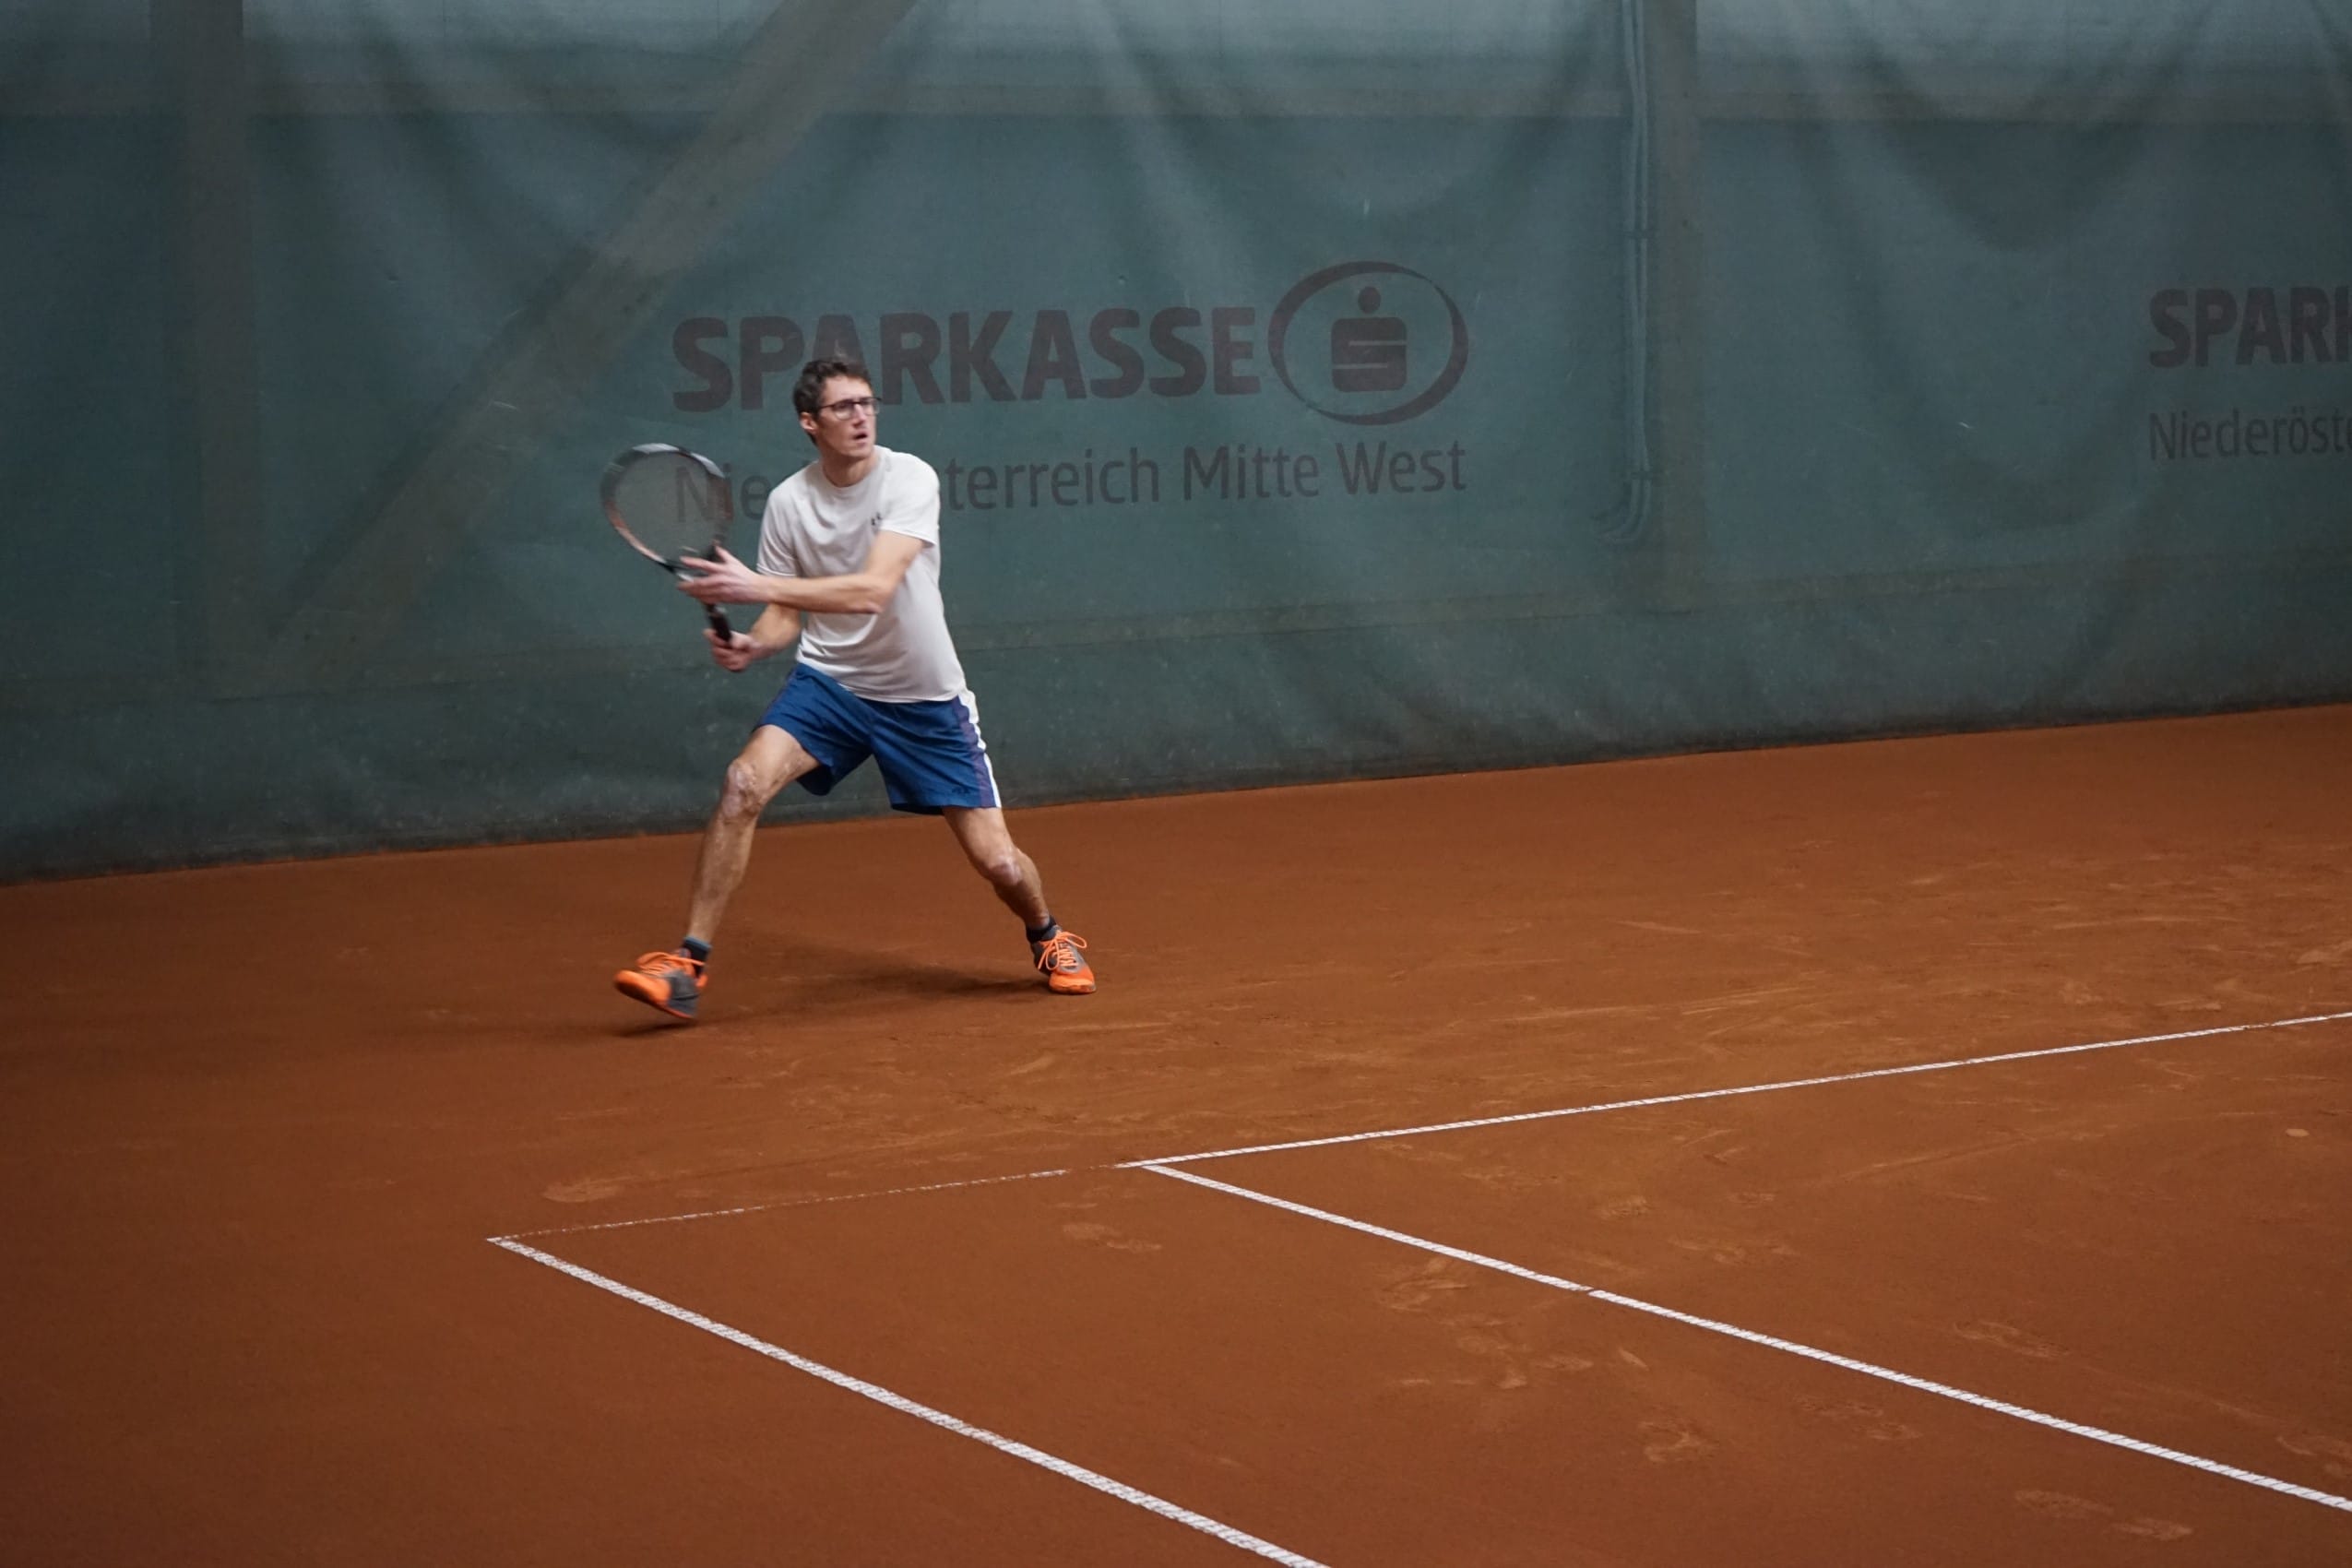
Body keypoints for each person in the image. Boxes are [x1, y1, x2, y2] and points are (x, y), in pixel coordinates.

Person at [612, 357, 1095, 1020]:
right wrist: (755, 642)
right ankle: (686, 965)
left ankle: (1046, 934)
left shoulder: (910, 478)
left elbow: (871, 590)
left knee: (1000, 865)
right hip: (833, 685)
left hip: (924, 698)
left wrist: (754, 585)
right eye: (843, 407)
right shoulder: (790, 503)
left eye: (867, 403)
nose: (862, 416)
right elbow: (785, 614)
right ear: (809, 422)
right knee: (743, 784)